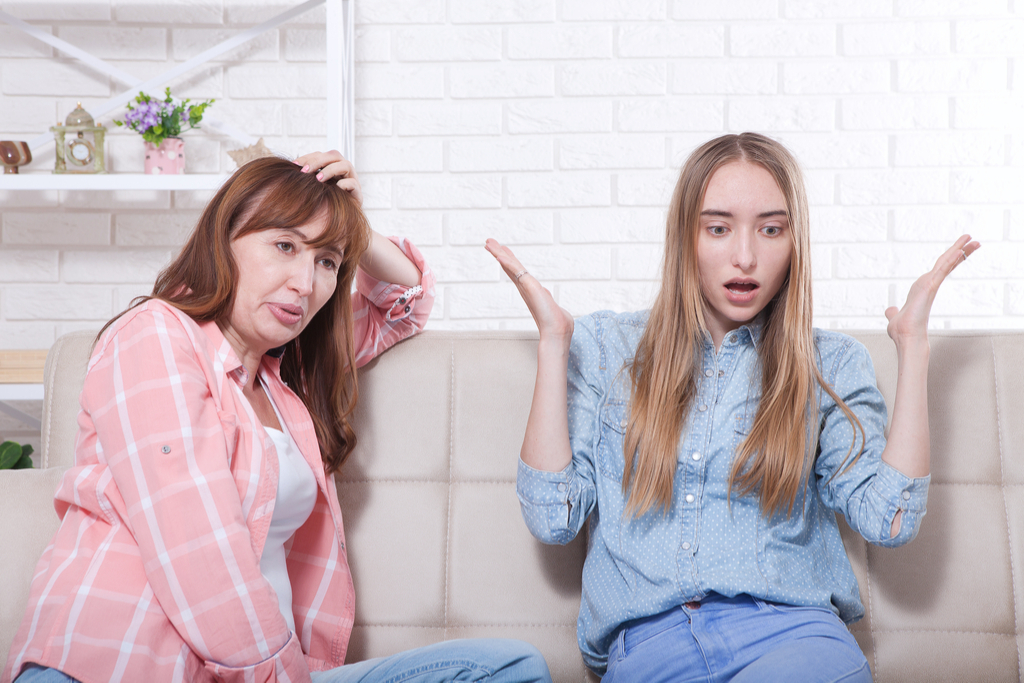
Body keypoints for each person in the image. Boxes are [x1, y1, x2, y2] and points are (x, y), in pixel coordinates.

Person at [5, 152, 551, 683]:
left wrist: (353, 223)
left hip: (267, 672)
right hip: (121, 666)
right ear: (225, 239)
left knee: (508, 668)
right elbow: (200, 555)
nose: (304, 282)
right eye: (284, 245)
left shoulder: (285, 380)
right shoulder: (154, 335)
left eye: (327, 262)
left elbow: (404, 302)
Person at [485, 132, 980, 683]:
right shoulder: (604, 348)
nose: (745, 256)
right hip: (650, 645)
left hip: (796, 637)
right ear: (685, 237)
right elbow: (555, 518)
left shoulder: (831, 362)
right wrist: (554, 343)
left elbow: (888, 520)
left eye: (771, 229)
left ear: (795, 242)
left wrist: (913, 347)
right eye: (718, 228)